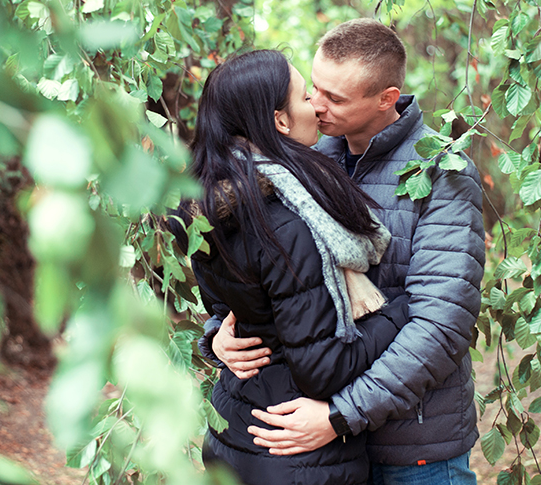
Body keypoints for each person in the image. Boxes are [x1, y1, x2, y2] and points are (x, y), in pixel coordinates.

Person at [205, 20, 486, 485]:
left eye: (334, 98)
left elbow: (441, 324)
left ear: (385, 98)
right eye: (313, 88)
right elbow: (262, 281)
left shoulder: (443, 173)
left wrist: (339, 413)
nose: (315, 104)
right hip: (325, 453)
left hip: (410, 448)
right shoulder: (301, 159)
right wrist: (219, 334)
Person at [170, 49, 409, 485]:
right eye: (304, 97)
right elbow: (320, 369)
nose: (316, 106)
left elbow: (239, 312)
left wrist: (218, 336)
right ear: (279, 120)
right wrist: (400, 309)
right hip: (293, 452)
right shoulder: (284, 224)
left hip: (238, 428)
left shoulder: (210, 207)